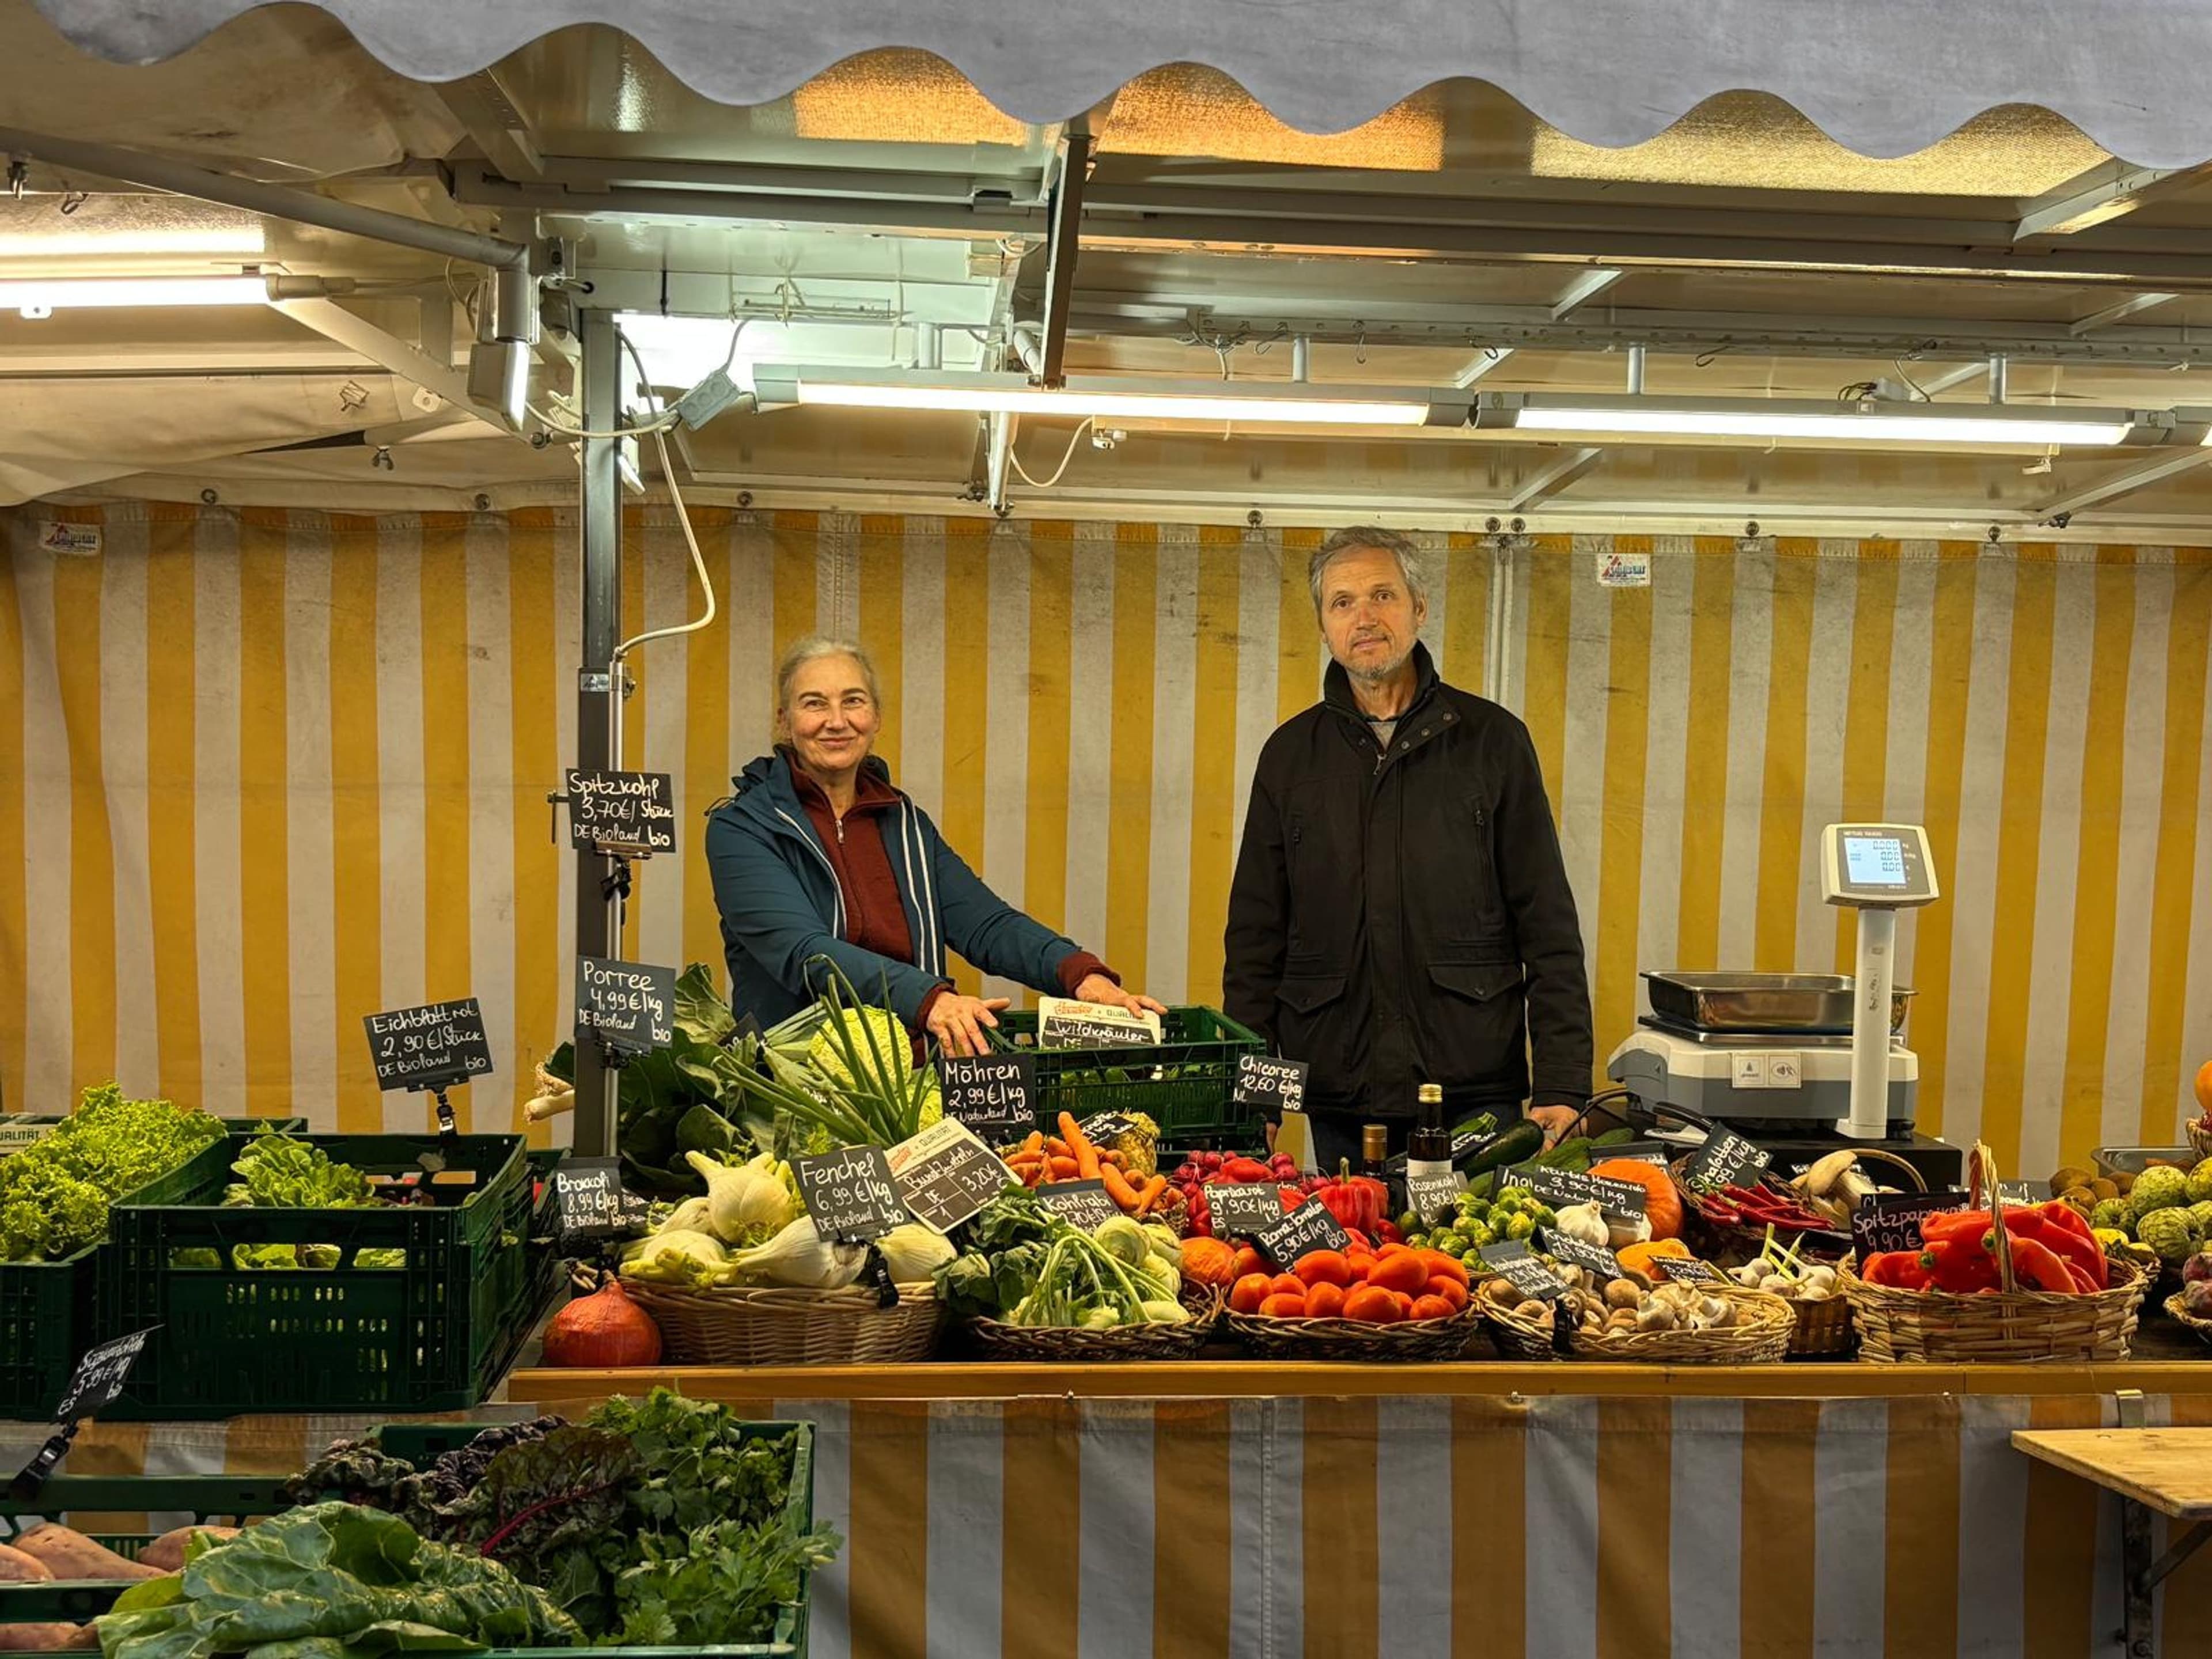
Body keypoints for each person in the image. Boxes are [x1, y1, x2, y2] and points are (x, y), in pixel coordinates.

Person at [1222, 527, 1593, 1166]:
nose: (1363, 618)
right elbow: (1256, 941)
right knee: (1359, 1258)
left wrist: (1561, 1082)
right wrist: (1256, 1100)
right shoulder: (1289, 757)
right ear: (1323, 626)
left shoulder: (1494, 743)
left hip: (1475, 1084)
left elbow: (1548, 924)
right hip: (1340, 1088)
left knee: (1477, 1260)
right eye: (1342, 603)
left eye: (1381, 596)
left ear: (1419, 608)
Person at [706, 635, 1163, 1055]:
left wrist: (1080, 974)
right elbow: (805, 952)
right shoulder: (743, 828)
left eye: (853, 701)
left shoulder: (903, 822)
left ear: (876, 717)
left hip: (912, 1076)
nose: (837, 721)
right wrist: (930, 1000)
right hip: (794, 1082)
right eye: (814, 704)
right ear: (785, 722)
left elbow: (986, 924)